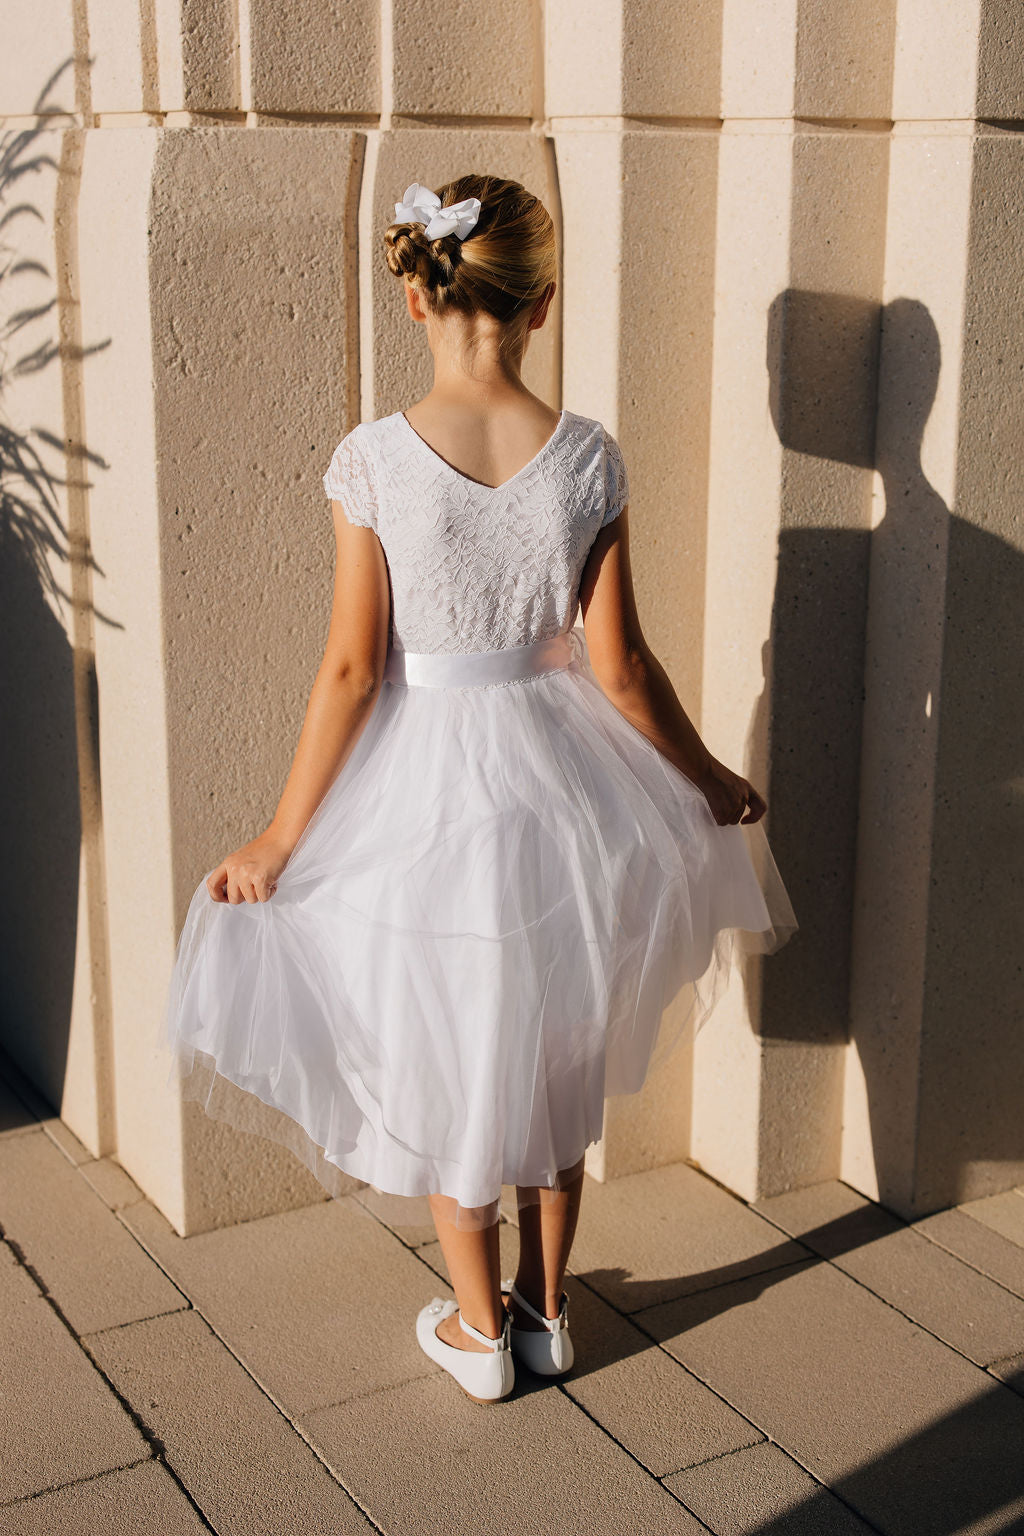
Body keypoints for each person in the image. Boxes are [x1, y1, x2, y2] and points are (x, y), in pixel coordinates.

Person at [161, 173, 798, 1406]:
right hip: (568, 788)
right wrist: (710, 778)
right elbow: (617, 665)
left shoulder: (374, 461)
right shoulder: (587, 457)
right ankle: (552, 1314)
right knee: (553, 1055)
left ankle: (477, 1331)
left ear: (414, 296)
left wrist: (286, 837)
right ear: (542, 304)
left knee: (457, 1057)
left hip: (428, 796)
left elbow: (352, 667)